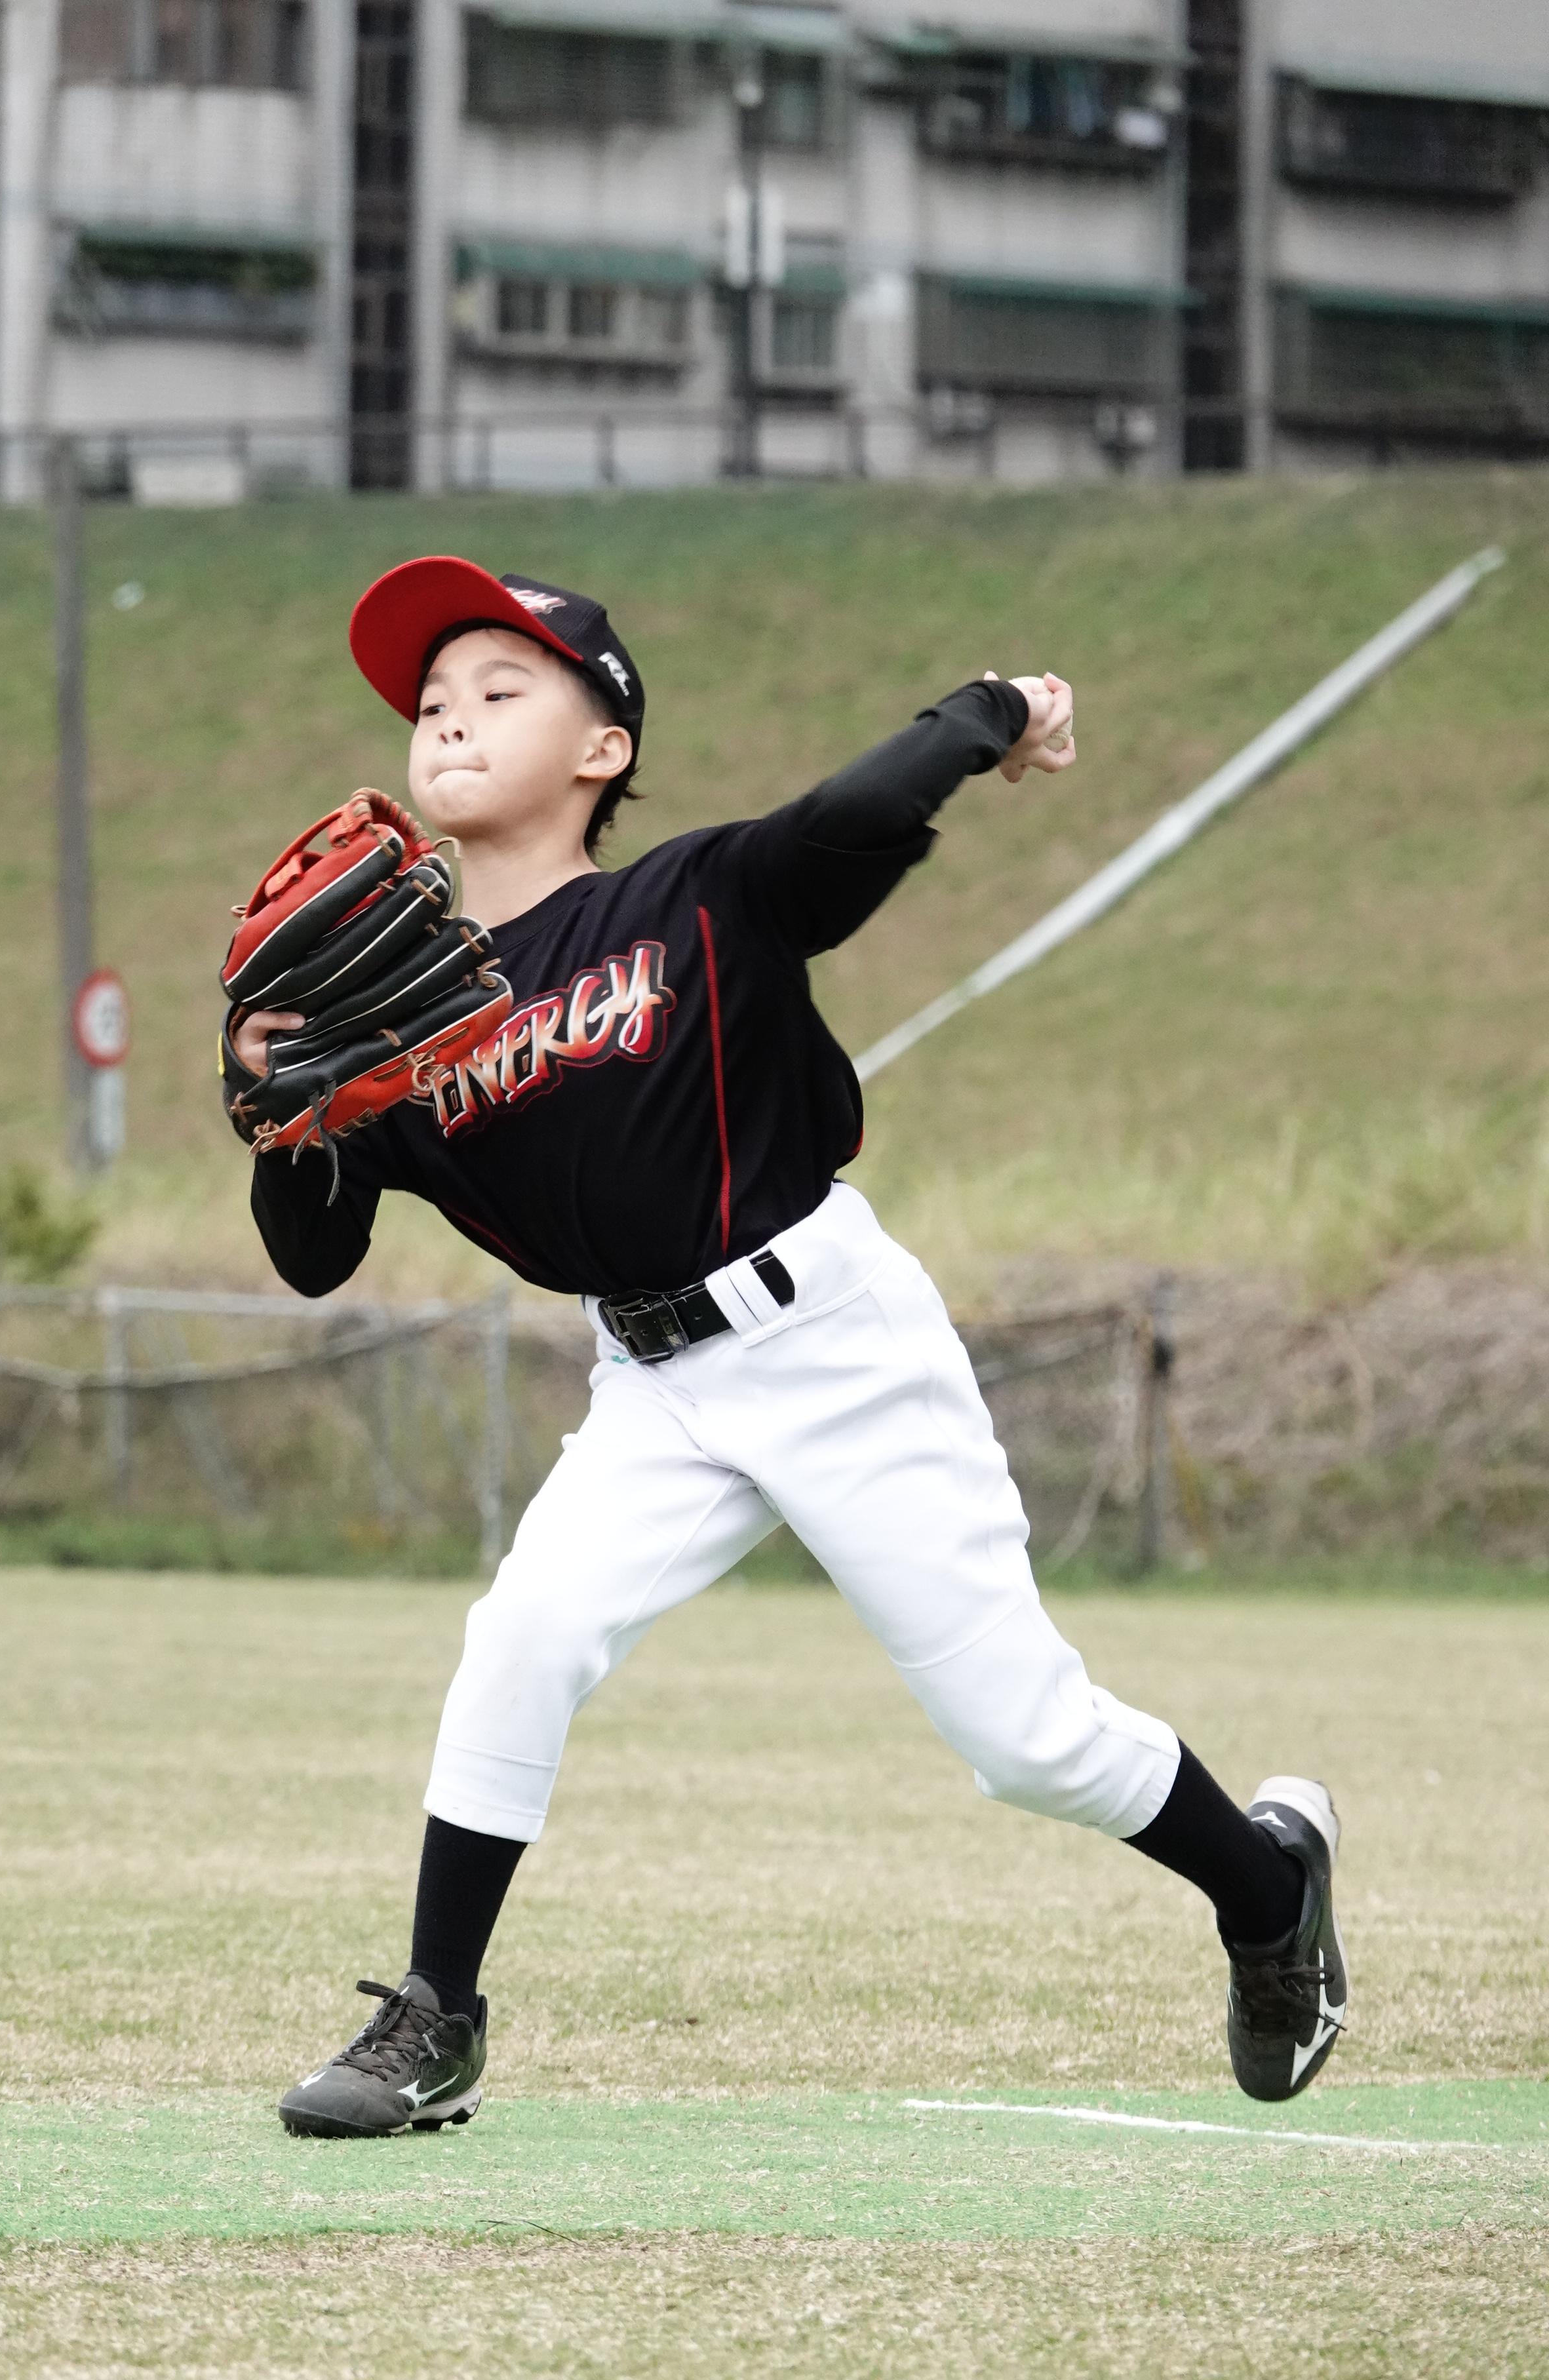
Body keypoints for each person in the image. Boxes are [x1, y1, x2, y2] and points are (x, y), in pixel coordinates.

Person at [224, 556, 1347, 2138]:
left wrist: (996, 711)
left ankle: (1268, 1892)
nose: (450, 718)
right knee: (524, 1635)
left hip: (830, 1341)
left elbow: (851, 817)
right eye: (431, 702)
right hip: (652, 1386)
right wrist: (276, 1111)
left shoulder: (692, 900)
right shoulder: (391, 1026)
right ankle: (436, 2018)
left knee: (1026, 1743)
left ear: (604, 746)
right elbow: (315, 1255)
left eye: (500, 689)